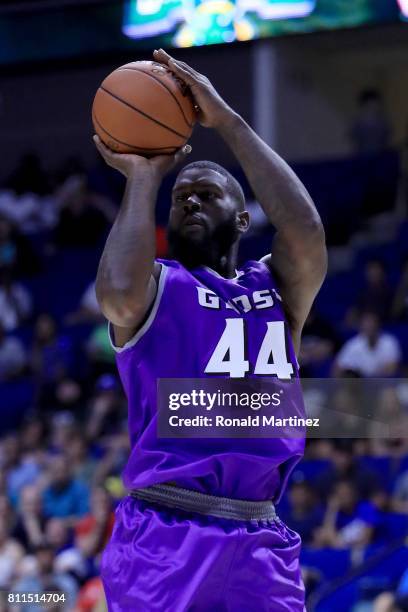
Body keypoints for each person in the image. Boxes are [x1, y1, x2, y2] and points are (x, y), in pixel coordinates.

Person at [94, 49, 327, 611]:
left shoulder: (276, 290)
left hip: (260, 537)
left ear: (243, 217)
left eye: (207, 194)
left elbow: (307, 233)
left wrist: (229, 123)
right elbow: (116, 294)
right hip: (164, 533)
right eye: (181, 198)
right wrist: (147, 175)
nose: (191, 200)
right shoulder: (156, 286)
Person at [333, 311, 401, 377]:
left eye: (371, 323)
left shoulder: (389, 342)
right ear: (361, 326)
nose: (369, 326)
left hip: (381, 384)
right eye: (366, 324)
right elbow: (338, 369)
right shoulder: (353, 344)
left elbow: (392, 369)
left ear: (378, 325)